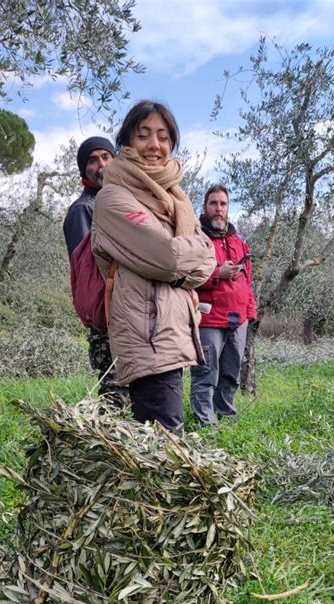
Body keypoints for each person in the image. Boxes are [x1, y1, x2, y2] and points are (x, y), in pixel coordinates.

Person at [91, 101, 216, 434]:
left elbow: (208, 263)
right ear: (127, 142)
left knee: (159, 444)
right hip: (147, 337)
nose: (154, 145)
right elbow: (167, 257)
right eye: (143, 135)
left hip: (171, 332)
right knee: (166, 439)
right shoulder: (114, 197)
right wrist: (188, 258)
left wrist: (188, 259)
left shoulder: (176, 198)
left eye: (163, 136)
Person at [63, 136, 129, 407]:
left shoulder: (119, 202)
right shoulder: (82, 210)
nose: (101, 164)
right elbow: (89, 273)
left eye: (106, 156)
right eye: (92, 160)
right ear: (84, 169)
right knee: (116, 395)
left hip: (127, 311)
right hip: (108, 316)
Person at [190, 184, 256, 425]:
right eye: (213, 204)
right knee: (206, 374)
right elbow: (186, 276)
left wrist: (250, 314)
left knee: (230, 375)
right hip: (208, 319)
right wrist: (218, 273)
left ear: (228, 208)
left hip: (238, 320)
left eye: (223, 204)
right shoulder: (196, 239)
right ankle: (205, 425)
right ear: (205, 207)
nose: (218, 209)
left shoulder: (239, 242)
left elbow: (248, 281)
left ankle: (226, 420)